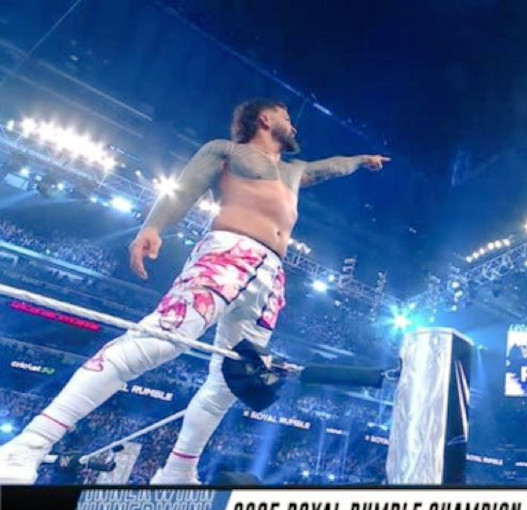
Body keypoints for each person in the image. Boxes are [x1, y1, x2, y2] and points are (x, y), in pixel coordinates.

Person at [0, 98, 390, 485]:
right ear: (264, 119)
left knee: (233, 377)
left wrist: (362, 160)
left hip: (271, 275)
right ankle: (28, 445)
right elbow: (184, 188)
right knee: (157, 342)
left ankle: (178, 471)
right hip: (227, 253)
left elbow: (331, 166)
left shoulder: (293, 171)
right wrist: (153, 226)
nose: (294, 125)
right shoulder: (228, 152)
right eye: (287, 117)